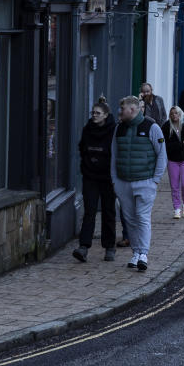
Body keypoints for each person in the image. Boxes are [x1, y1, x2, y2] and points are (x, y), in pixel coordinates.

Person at [112, 95, 166, 272]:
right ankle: (136, 253)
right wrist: (116, 181)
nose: (120, 112)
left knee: (142, 217)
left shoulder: (152, 127)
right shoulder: (119, 128)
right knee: (129, 219)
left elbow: (162, 155)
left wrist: (155, 180)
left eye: (123, 109)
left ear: (133, 110)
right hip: (123, 182)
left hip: (145, 181)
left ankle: (143, 253)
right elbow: (114, 156)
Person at [73, 101, 117, 262]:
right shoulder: (88, 129)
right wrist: (87, 164)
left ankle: (109, 246)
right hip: (90, 175)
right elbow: (82, 147)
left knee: (108, 211)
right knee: (89, 211)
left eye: (97, 113)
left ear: (105, 115)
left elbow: (116, 152)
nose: (94, 115)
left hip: (107, 177)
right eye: (93, 113)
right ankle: (83, 246)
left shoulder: (113, 130)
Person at [162, 105, 184, 219]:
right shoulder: (166, 126)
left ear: (180, 114)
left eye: (176, 113)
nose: (174, 115)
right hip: (173, 160)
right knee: (174, 186)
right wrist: (180, 145)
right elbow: (165, 145)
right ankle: (177, 209)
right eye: (172, 113)